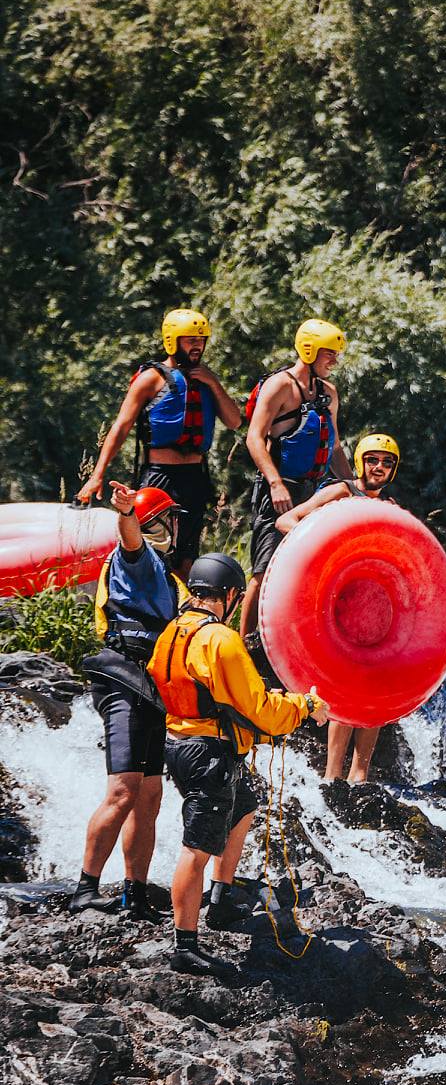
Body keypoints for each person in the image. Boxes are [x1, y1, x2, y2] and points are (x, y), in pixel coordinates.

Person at [149, 552, 327, 975]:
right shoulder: (220, 639)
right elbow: (260, 708)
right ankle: (185, 946)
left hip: (181, 744)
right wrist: (305, 706)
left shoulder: (172, 632)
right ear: (229, 595)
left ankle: (221, 896)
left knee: (244, 803)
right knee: (197, 847)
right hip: (207, 753)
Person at [67, 482, 188, 917]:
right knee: (123, 789)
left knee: (149, 794)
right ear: (156, 523)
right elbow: (129, 539)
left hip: (152, 688)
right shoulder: (137, 560)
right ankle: (85, 889)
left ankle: (134, 892)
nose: (176, 526)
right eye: (170, 518)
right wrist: (126, 513)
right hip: (124, 679)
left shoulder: (169, 577)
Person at [75, 308, 244, 577]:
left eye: (201, 340)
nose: (197, 346)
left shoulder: (205, 381)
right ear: (172, 341)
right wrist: (97, 475)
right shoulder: (152, 378)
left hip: (194, 477)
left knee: (187, 557)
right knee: (154, 551)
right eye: (190, 340)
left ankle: (180, 616)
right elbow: (120, 427)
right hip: (160, 477)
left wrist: (213, 382)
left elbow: (235, 421)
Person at [274, 433, 401, 782]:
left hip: (372, 607)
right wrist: (319, 548)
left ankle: (360, 777)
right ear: (360, 461)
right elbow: (285, 521)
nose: (379, 467)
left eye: (387, 462)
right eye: (373, 459)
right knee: (343, 690)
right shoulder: (340, 493)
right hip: (334, 600)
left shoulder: (390, 509)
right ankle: (332, 777)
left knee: (372, 691)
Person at [241, 318, 351, 640]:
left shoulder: (329, 393)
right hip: (278, 491)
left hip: (311, 493)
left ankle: (287, 639)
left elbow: (335, 448)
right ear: (309, 350)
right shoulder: (281, 386)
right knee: (264, 572)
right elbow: (254, 438)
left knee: (304, 574)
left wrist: (356, 488)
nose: (335, 360)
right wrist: (275, 482)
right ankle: (246, 641)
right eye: (329, 353)